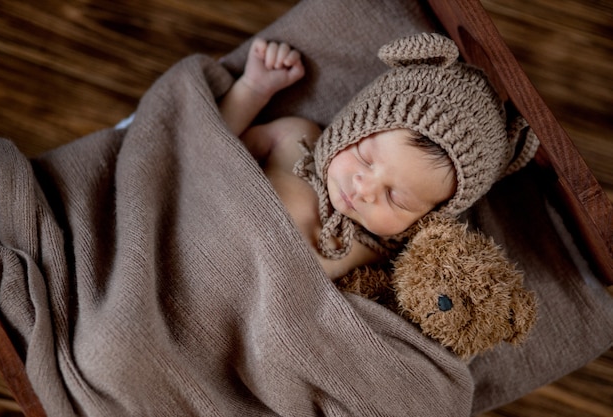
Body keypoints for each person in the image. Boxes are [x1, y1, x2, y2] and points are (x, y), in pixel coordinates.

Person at [219, 33, 538, 279]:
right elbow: (211, 144)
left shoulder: (382, 256)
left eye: (397, 199)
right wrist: (254, 88)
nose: (365, 190)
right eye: (364, 157)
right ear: (350, 125)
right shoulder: (296, 140)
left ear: (427, 218)